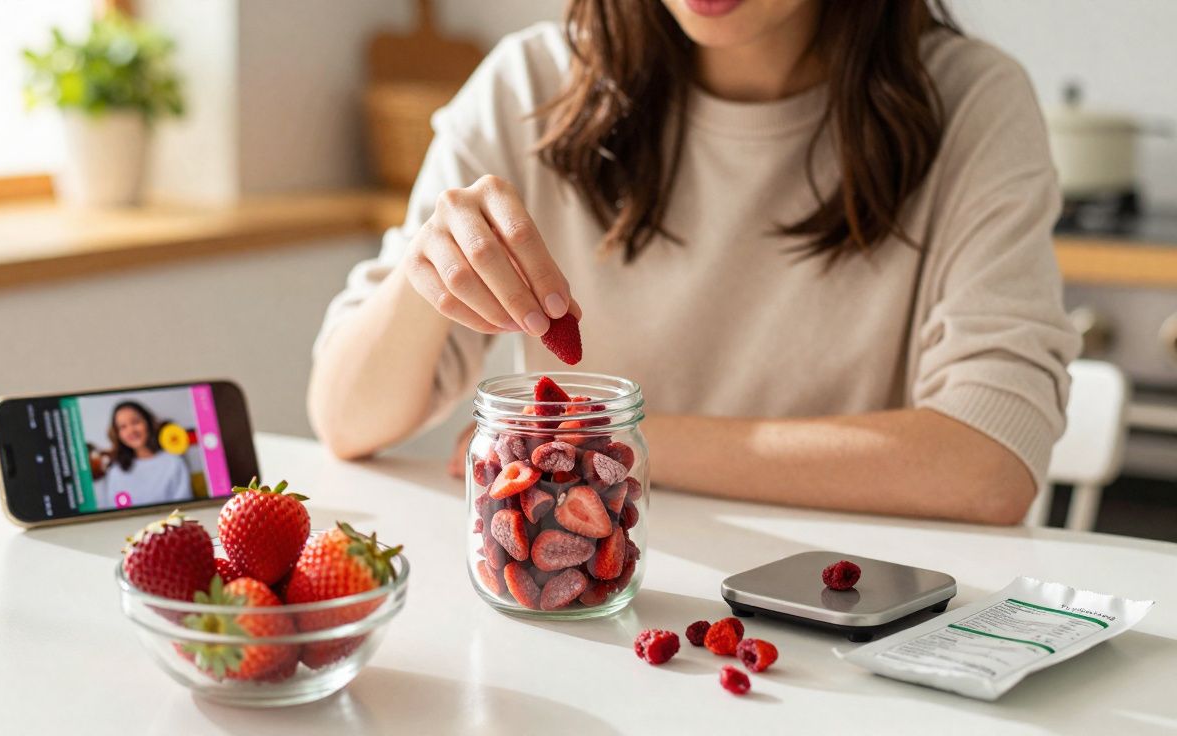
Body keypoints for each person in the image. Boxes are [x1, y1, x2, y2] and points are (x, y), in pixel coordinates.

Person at [309, 0, 1080, 525]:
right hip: (599, 602)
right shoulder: (529, 86)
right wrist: (428, 270)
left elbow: (987, 464)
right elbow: (344, 420)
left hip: (845, 617)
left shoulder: (972, 102)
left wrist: (601, 442)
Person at [102, 401, 190, 508]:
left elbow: (184, 508)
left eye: (135, 422)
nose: (131, 430)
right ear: (118, 434)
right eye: (123, 427)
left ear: (148, 422)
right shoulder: (116, 472)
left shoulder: (174, 462)